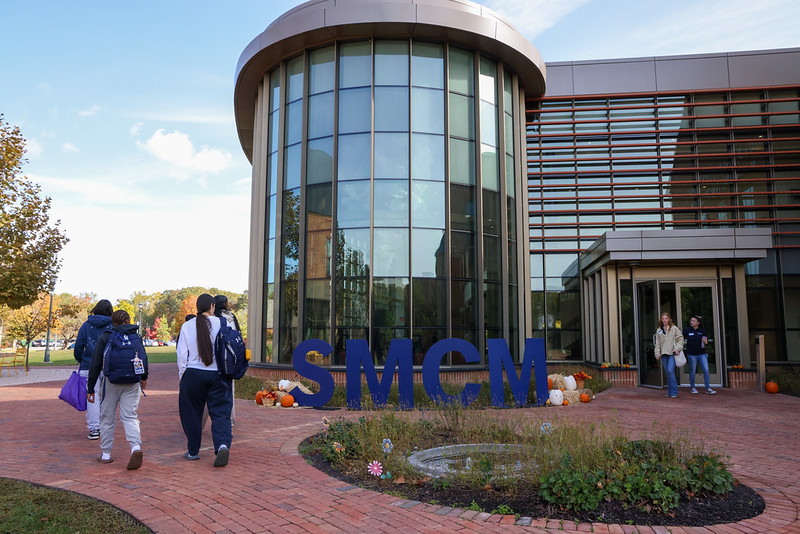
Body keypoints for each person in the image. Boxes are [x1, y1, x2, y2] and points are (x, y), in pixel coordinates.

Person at [86, 310, 148, 470]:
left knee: (107, 417)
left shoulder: (106, 336)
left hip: (110, 382)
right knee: (130, 416)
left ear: (112, 322)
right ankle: (135, 447)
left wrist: (91, 387)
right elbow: (144, 358)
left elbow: (96, 364)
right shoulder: (136, 336)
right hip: (133, 382)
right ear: (127, 320)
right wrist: (144, 377)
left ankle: (106, 454)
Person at [176, 294, 232, 467]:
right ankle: (222, 444)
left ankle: (193, 451)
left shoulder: (187, 326)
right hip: (218, 374)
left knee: (191, 414)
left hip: (193, 374)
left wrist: (183, 377)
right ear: (212, 306)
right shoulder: (223, 323)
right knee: (221, 412)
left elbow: (181, 355)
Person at [73, 299, 113, 440]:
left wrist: (81, 359)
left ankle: (94, 428)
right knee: (107, 397)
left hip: (88, 365)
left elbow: (78, 346)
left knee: (92, 396)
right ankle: (105, 426)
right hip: (108, 366)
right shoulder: (113, 325)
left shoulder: (86, 326)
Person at [214, 295, 240, 425]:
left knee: (212, 394)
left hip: (214, 361)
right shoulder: (232, 318)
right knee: (229, 391)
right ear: (225, 304)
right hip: (230, 361)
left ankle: (206, 422)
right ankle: (230, 419)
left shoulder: (213, 319)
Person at [683, 315, 716, 395]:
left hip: (702, 354)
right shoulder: (687, 330)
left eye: (693, 321)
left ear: (698, 323)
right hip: (691, 354)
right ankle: (693, 387)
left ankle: (708, 388)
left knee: (706, 370)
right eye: (691, 321)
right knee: (693, 371)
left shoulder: (702, 331)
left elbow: (706, 342)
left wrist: (705, 341)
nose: (691, 322)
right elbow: (682, 340)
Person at [653, 312, 684, 398]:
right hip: (664, 353)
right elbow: (657, 343)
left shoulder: (674, 328)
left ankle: (674, 391)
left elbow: (680, 339)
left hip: (672, 353)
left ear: (669, 319)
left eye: (666, 318)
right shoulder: (659, 330)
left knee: (670, 370)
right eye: (663, 319)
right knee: (667, 372)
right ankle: (669, 391)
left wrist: (678, 349)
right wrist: (657, 353)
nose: (664, 320)